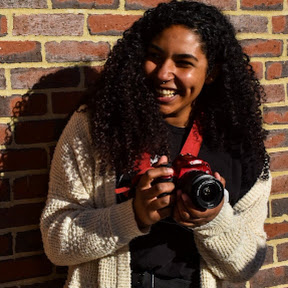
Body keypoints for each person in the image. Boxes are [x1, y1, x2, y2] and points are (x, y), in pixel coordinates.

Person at [40, 1, 272, 287]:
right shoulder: (96, 127)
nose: (163, 73)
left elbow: (245, 268)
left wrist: (214, 221)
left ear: (211, 73)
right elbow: (55, 242)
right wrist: (133, 215)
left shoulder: (240, 145)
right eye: (154, 57)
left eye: (184, 63)